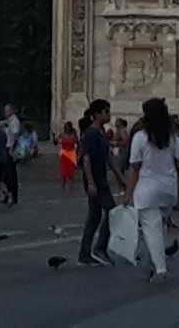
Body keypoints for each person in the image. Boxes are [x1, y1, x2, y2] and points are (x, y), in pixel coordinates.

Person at [125, 96, 179, 284]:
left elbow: (134, 167)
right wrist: (178, 171)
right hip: (168, 189)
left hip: (147, 189)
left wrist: (128, 194)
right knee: (159, 228)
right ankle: (153, 264)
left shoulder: (141, 137)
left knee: (151, 230)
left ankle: (160, 269)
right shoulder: (171, 137)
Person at [75, 99, 118, 266]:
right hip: (95, 181)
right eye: (106, 112)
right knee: (112, 212)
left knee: (94, 217)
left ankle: (84, 253)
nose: (109, 115)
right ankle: (100, 247)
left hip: (101, 179)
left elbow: (108, 157)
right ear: (98, 114)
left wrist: (120, 178)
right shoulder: (91, 133)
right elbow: (86, 159)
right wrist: (91, 182)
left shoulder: (101, 133)